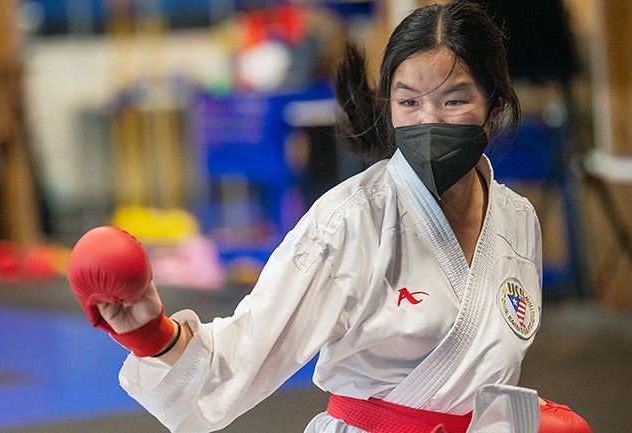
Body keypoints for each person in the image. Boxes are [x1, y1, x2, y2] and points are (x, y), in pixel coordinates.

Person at [68, 1, 592, 432]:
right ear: (388, 106)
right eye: (408, 102)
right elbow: (245, 349)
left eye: (455, 100)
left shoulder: (518, 218)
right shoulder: (349, 222)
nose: (429, 119)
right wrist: (150, 333)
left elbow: (482, 365)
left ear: (494, 105)